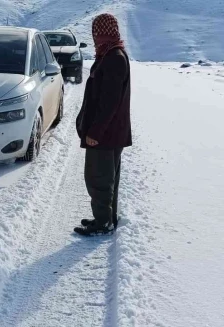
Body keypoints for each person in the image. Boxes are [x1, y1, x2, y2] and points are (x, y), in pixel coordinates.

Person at [74, 13, 132, 236]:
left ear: (105, 33)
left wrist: (95, 131)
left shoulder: (114, 58)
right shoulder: (110, 54)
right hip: (109, 132)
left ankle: (103, 223)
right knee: (106, 177)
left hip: (105, 134)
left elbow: (109, 102)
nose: (95, 37)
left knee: (99, 178)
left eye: (97, 32)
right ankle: (105, 218)